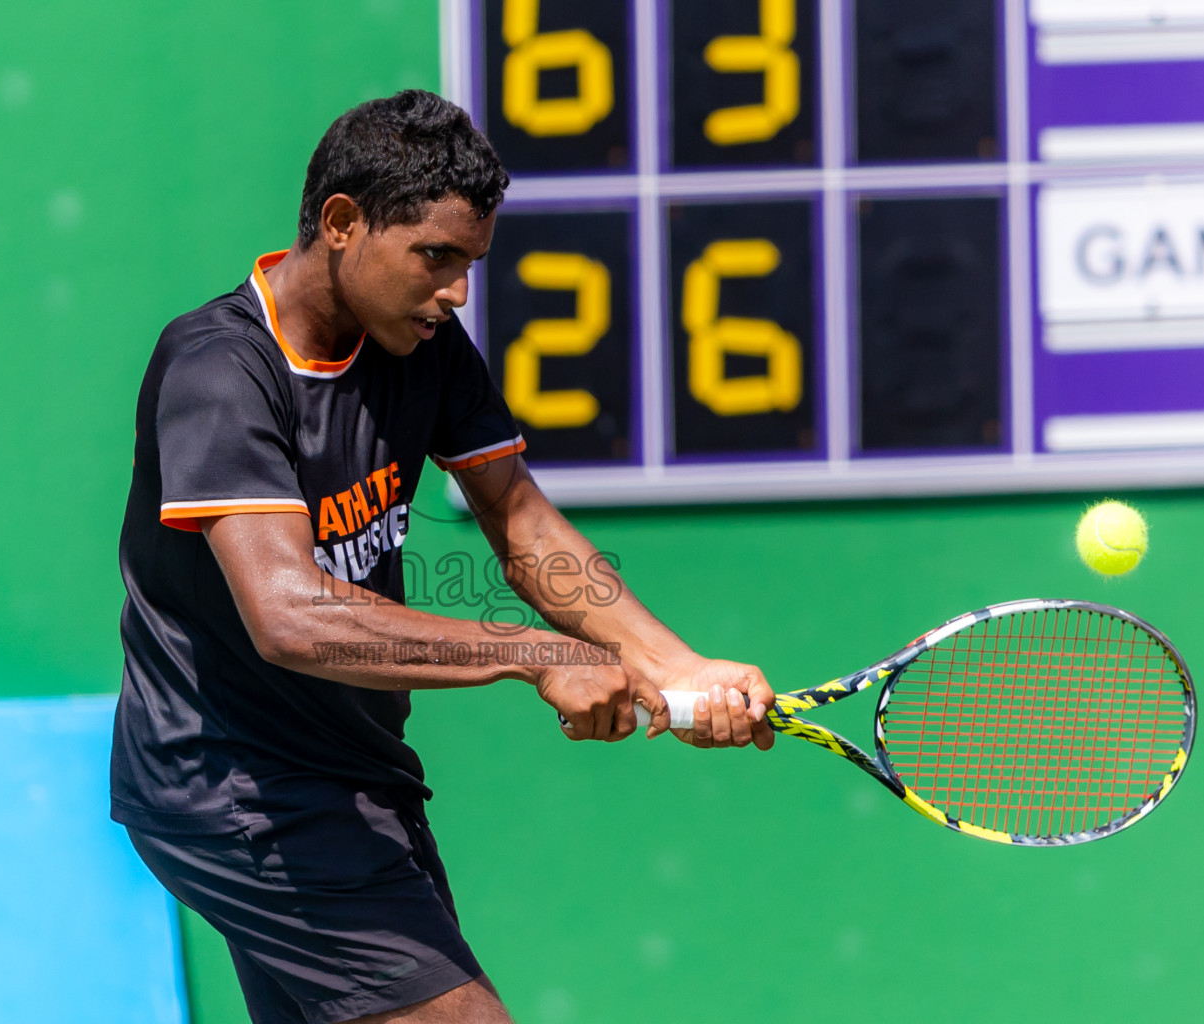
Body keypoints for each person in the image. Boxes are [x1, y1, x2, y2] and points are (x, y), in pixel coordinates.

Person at [111, 90, 776, 1024]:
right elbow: (290, 615)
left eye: (470, 264)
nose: (457, 291)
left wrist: (673, 665)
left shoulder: (421, 343)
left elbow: (520, 522)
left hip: (357, 771)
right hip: (232, 786)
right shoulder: (219, 369)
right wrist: (540, 654)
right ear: (341, 224)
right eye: (436, 258)